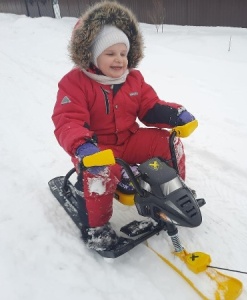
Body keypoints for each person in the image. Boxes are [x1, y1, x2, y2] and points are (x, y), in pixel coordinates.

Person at [52, 1, 196, 251]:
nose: (119, 60)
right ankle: (96, 228)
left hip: (129, 139)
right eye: (110, 54)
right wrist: (83, 147)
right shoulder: (75, 83)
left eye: (123, 53)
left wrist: (174, 114)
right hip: (98, 149)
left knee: (168, 142)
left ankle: (172, 192)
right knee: (102, 169)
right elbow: (68, 120)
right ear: (92, 55)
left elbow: (149, 107)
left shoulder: (133, 79)